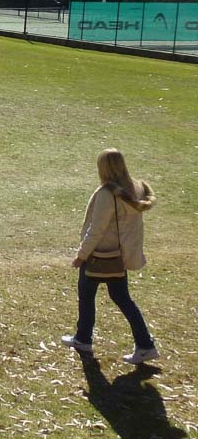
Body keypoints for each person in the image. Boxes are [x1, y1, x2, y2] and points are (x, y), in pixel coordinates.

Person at [62, 149, 159, 365]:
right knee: (123, 299)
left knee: (87, 295)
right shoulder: (136, 188)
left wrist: (81, 255)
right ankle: (145, 345)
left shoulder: (108, 194)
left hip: (99, 254)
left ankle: (83, 339)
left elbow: (96, 230)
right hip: (120, 256)